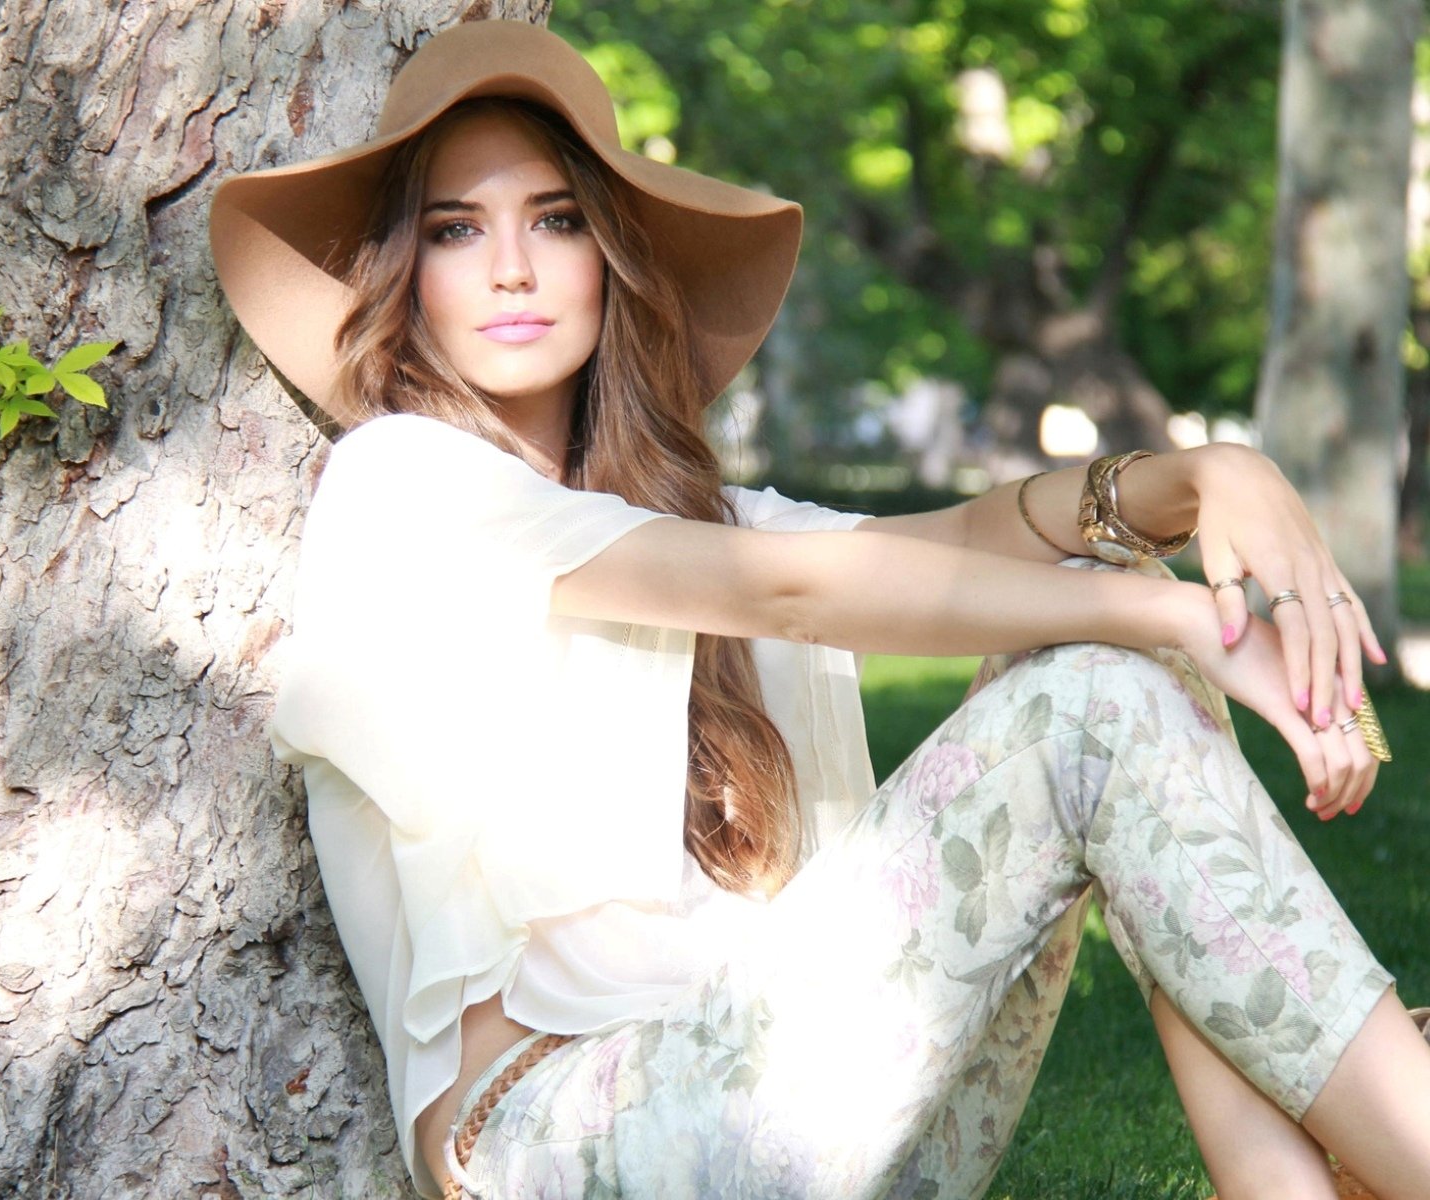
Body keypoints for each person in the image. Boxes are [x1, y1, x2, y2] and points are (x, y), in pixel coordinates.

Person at [208, 19, 1430, 1200]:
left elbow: (954, 545)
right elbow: (789, 595)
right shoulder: (404, 483)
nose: (513, 267)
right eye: (457, 229)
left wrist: (1211, 477)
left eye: (557, 220)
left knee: (1093, 613)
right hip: (560, 1146)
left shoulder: (682, 520)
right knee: (1102, 682)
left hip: (794, 1100)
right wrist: (1177, 625)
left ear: (608, 258)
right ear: (404, 272)